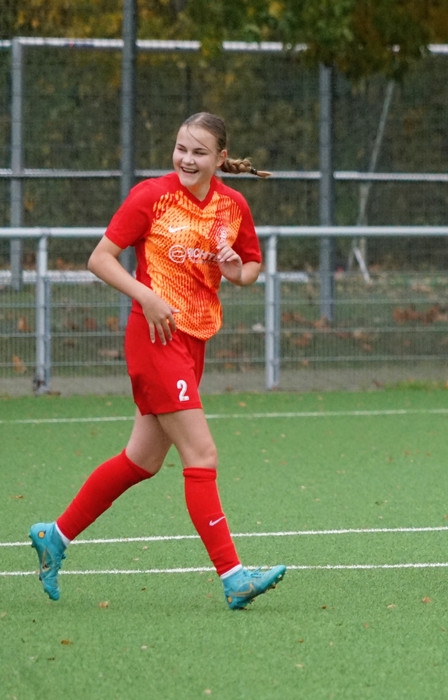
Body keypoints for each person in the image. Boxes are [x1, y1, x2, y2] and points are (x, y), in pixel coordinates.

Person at [28, 112, 287, 610]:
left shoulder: (232, 206)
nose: (186, 159)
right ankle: (234, 577)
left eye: (199, 152)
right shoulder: (152, 196)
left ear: (220, 158)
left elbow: (251, 266)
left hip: (194, 340)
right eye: (181, 148)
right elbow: (100, 258)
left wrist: (237, 271)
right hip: (154, 338)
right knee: (202, 454)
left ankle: (54, 536)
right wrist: (145, 296)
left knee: (141, 461)